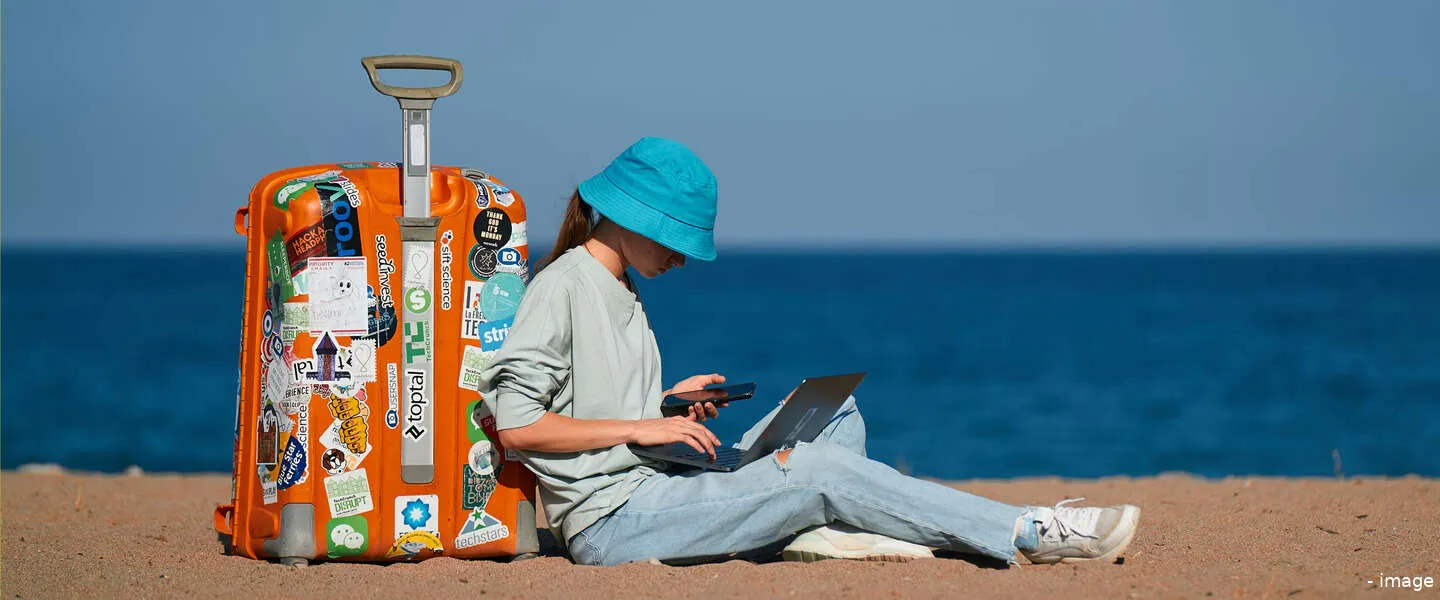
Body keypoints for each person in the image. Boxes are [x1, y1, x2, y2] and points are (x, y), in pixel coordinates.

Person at [477, 137, 1141, 567]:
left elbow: (586, 401)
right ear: (632, 218)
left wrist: (667, 403)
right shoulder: (563, 286)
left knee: (835, 413)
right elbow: (520, 425)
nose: (681, 257)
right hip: (615, 520)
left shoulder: (618, 283)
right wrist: (641, 425)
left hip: (659, 479)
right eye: (676, 239)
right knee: (816, 471)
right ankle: (1028, 531)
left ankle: (811, 532)